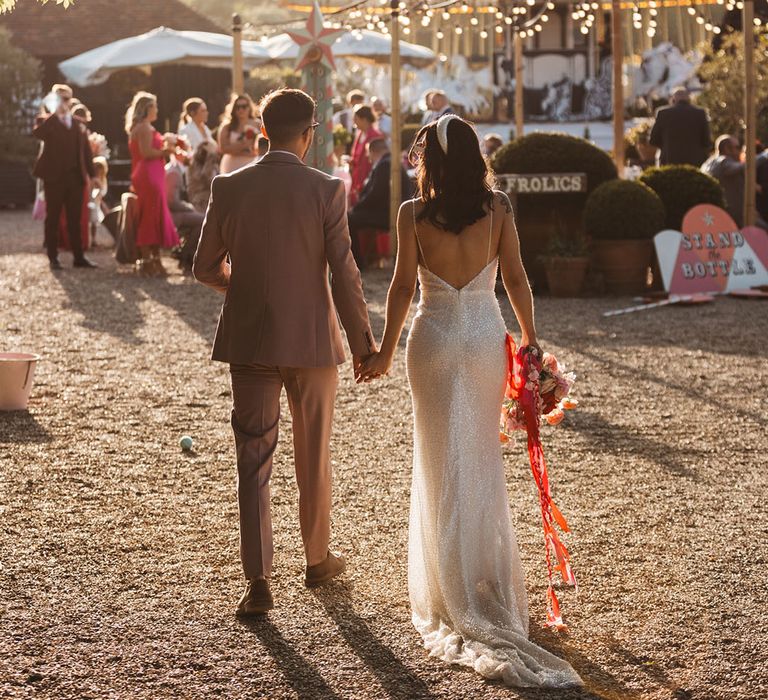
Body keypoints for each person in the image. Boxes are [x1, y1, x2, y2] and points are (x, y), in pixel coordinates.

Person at [357, 115, 582, 688]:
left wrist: (383, 352)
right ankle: (483, 581)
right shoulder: (499, 208)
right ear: (474, 158)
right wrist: (531, 343)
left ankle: (448, 583)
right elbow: (517, 279)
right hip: (484, 338)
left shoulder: (412, 215)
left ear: (427, 161)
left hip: (430, 341)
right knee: (479, 458)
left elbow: (403, 287)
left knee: (438, 462)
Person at [193, 88, 376, 617]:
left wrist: (243, 288)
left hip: (250, 337)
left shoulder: (229, 186)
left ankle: (258, 580)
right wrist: (363, 343)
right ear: (310, 134)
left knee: (253, 458)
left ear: (262, 131)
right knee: (313, 452)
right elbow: (344, 273)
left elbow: (205, 267)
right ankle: (317, 559)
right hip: (313, 340)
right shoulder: (326, 188)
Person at [32, 83, 97, 270]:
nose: (64, 102)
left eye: (67, 98)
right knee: (52, 217)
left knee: (75, 219)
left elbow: (85, 151)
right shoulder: (46, 121)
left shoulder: (78, 124)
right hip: (53, 178)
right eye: (60, 98)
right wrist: (54, 115)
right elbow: (38, 134)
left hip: (75, 178)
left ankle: (79, 256)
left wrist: (92, 175)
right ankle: (53, 257)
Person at [126, 91, 179, 276]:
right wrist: (167, 151)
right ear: (148, 108)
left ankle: (154, 259)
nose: (157, 109)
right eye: (155, 106)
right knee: (150, 215)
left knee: (152, 213)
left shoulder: (141, 127)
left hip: (149, 174)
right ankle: (148, 260)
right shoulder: (144, 128)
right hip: (148, 175)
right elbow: (147, 152)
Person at [348, 138, 413, 267]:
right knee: (350, 217)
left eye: (368, 154)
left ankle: (357, 263)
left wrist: (355, 209)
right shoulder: (391, 162)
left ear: (373, 151)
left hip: (388, 215)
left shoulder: (385, 165)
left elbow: (375, 195)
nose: (368, 158)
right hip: (392, 211)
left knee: (348, 218)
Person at [701, 135, 768, 229]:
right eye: (737, 147)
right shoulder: (723, 162)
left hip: (715, 215)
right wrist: (764, 156)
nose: (739, 151)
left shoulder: (708, 163)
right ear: (727, 149)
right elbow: (742, 167)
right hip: (736, 216)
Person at [649, 87, 710, 167]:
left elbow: (653, 140)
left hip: (669, 161)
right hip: (694, 163)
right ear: (689, 99)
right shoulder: (700, 113)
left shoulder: (663, 113)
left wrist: (666, 146)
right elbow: (706, 141)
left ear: (673, 99)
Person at [165, 152, 204, 272]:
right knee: (203, 221)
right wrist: (189, 207)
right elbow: (171, 201)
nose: (190, 155)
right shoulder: (174, 173)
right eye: (186, 152)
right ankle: (185, 255)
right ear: (178, 155)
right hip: (170, 215)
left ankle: (186, 254)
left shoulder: (172, 169)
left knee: (200, 219)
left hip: (170, 212)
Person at [349, 104, 384, 206]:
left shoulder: (375, 136)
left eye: (356, 119)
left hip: (368, 177)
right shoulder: (359, 134)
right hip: (357, 177)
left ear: (364, 119)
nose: (354, 122)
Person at [218, 93, 259, 174]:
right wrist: (244, 145)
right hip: (231, 165)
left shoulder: (258, 124)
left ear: (249, 107)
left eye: (244, 106)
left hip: (252, 163)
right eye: (238, 107)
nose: (241, 110)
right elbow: (223, 148)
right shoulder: (227, 126)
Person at [187, 142, 218, 213]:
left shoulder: (213, 165)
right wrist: (211, 156)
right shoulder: (194, 166)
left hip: (210, 199)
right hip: (200, 202)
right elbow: (207, 179)